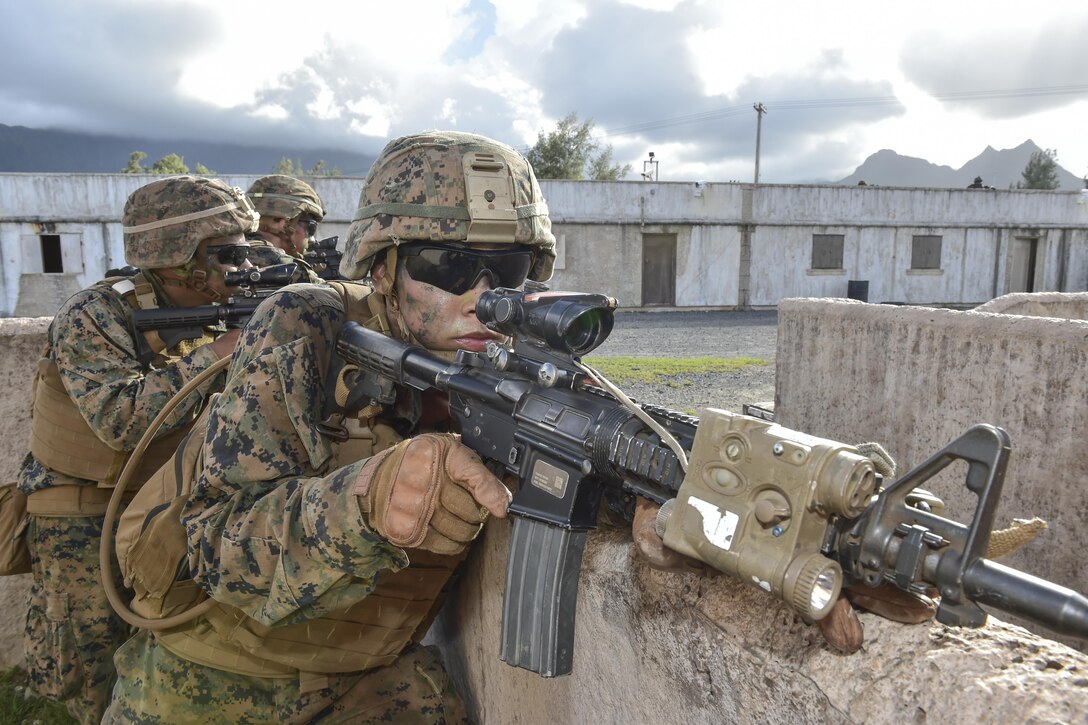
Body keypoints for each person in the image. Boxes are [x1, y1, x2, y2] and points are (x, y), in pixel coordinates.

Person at [105, 131, 556, 723]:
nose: (483, 300)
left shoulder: (516, 351)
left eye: (509, 269)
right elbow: (217, 544)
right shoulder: (307, 323)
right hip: (211, 675)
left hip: (364, 673)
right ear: (385, 267)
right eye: (449, 266)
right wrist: (366, 502)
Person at [19, 175, 259, 724]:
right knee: (90, 662)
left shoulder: (236, 300)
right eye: (227, 253)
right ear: (176, 258)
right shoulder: (94, 315)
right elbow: (120, 420)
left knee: (171, 652)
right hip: (83, 508)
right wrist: (220, 353)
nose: (244, 265)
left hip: (164, 499)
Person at [245, 174, 327, 268]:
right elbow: (314, 282)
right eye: (311, 227)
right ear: (283, 223)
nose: (312, 240)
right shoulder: (280, 264)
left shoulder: (234, 250)